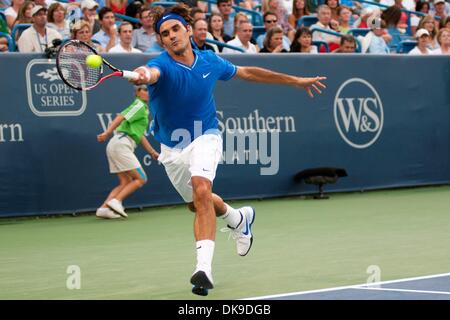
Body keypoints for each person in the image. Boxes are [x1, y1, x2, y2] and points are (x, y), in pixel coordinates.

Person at [129, 4, 326, 295]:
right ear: (161, 40)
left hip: (205, 136)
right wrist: (143, 74)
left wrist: (295, 81)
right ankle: (238, 218)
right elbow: (151, 72)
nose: (171, 36)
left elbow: (248, 72)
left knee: (200, 190)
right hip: (172, 149)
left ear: (187, 29)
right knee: (199, 202)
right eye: (164, 34)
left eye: (175, 29)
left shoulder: (210, 61)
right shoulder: (161, 64)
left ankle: (203, 269)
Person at [96, 85, 159, 219]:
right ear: (137, 92)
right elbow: (121, 117)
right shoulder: (139, 106)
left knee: (125, 181)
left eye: (149, 89)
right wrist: (107, 132)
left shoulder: (143, 109)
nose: (148, 92)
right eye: (145, 89)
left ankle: (104, 208)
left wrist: (152, 152)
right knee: (141, 178)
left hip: (116, 144)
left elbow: (140, 135)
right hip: (121, 145)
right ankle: (116, 201)